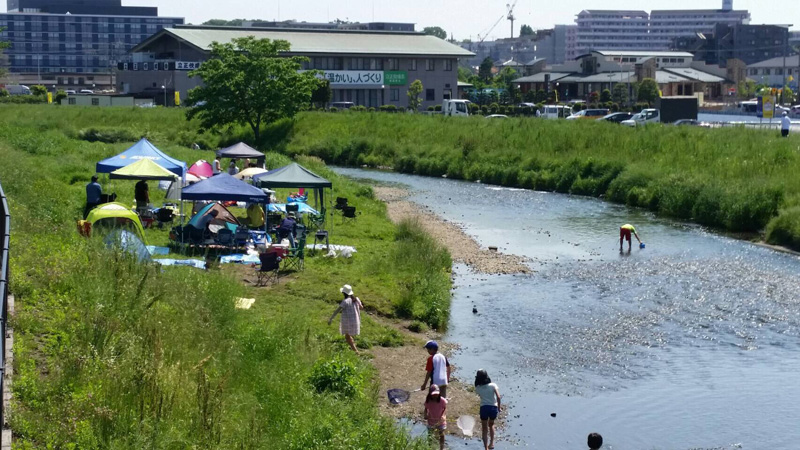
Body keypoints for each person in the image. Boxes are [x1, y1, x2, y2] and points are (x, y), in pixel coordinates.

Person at [327, 284, 363, 354]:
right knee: (349, 335)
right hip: (355, 320)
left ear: (344, 293)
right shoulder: (356, 299)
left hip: (348, 321)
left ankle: (356, 351)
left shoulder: (345, 301)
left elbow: (337, 310)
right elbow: (361, 307)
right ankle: (353, 347)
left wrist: (331, 319)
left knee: (347, 336)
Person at [474, 369, 502, 450]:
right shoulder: (493, 385)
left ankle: (486, 447)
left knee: (484, 428)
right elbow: (498, 397)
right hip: (493, 407)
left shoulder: (478, 388)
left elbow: (480, 395)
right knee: (491, 425)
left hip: (484, 408)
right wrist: (499, 407)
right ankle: (492, 443)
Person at [423, 384, 447, 450]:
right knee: (430, 435)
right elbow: (425, 409)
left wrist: (443, 416)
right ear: (430, 394)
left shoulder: (442, 401)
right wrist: (425, 415)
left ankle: (441, 448)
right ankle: (430, 447)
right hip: (431, 421)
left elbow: (445, 409)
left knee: (441, 433)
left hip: (441, 421)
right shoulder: (428, 401)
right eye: (434, 394)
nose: (435, 396)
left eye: (436, 394)